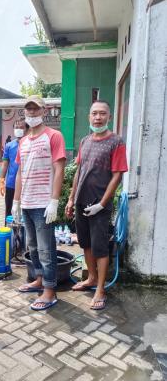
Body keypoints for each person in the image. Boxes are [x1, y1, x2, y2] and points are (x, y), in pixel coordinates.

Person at [65, 100, 128, 310]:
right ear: (89, 117)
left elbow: (117, 175)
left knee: (101, 248)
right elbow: (79, 172)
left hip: (99, 205)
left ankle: (101, 289)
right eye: (94, 113)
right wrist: (71, 198)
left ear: (109, 117)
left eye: (102, 114)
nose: (98, 117)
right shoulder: (85, 141)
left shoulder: (116, 142)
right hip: (82, 202)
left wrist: (102, 204)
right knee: (86, 243)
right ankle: (91, 278)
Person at [12, 95, 66, 311]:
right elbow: (19, 173)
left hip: (43, 203)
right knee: (32, 246)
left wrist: (54, 201)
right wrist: (16, 201)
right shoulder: (23, 141)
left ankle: (50, 291)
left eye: (35, 109)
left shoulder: (53, 136)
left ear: (44, 111)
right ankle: (39, 279)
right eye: (28, 110)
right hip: (26, 202)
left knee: (46, 249)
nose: (32, 113)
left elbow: (60, 168)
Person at [0, 118, 28, 219]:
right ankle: (9, 233)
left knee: (25, 213)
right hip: (11, 184)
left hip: (27, 184)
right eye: (16, 127)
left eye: (21, 127)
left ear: (27, 129)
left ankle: (23, 234)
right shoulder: (9, 145)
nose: (18, 129)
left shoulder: (30, 143)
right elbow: (5, 163)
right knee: (9, 211)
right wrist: (2, 180)